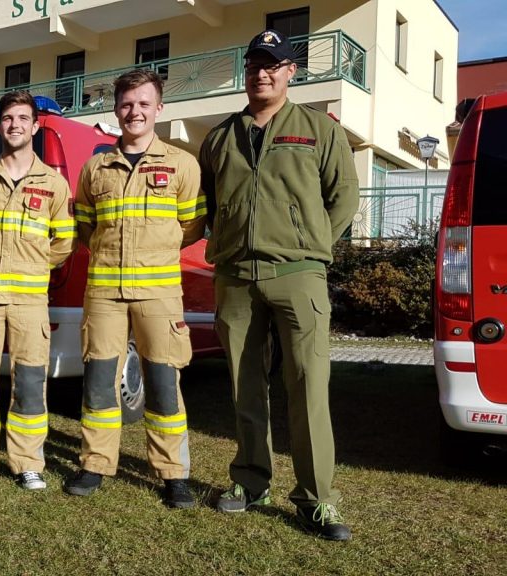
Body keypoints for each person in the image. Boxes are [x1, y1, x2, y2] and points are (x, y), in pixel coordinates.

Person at [199, 29, 359, 541]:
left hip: (298, 277)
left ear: (292, 72)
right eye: (253, 66)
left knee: (308, 386)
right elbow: (207, 207)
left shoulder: (319, 130)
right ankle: (250, 482)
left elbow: (345, 196)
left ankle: (317, 500)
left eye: (272, 64)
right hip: (237, 278)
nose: (261, 73)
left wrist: (311, 247)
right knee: (246, 388)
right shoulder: (220, 137)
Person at [65, 69, 206, 507]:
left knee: (164, 382)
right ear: (116, 109)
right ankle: (95, 464)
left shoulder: (183, 165)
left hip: (160, 294)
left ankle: (172, 474)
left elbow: (191, 226)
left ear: (159, 108)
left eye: (144, 103)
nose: (135, 112)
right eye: (127, 104)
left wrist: (152, 253)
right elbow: (86, 227)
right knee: (99, 383)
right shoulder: (95, 168)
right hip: (105, 292)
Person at [0, 91, 75, 490]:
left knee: (28, 382)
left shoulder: (53, 184)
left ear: (35, 126)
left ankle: (27, 462)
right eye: (8, 118)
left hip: (30, 302)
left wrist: (33, 268)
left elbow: (63, 242)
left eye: (23, 118)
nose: (15, 125)